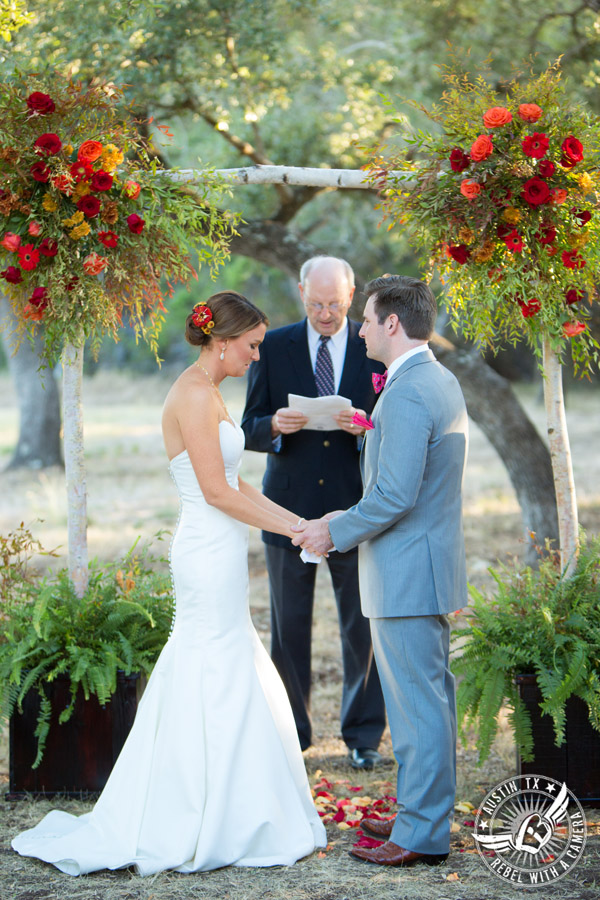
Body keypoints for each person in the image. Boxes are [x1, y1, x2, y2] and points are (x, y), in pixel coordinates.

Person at [12, 291, 326, 876]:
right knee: (209, 664)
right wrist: (295, 530)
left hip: (224, 547)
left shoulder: (212, 393)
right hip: (205, 551)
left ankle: (235, 801)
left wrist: (298, 526)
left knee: (228, 660)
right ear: (224, 340)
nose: (257, 357)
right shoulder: (190, 394)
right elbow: (215, 493)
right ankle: (197, 809)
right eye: (253, 346)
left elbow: (240, 485)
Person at [293, 275, 468, 867]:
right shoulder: (432, 378)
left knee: (418, 709)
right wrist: (349, 510)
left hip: (408, 573)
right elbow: (404, 489)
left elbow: (394, 495)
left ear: (393, 324)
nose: (360, 328)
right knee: (427, 702)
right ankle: (422, 809)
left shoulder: (410, 392)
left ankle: (421, 833)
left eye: (366, 319)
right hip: (420, 564)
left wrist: (333, 529)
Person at [241, 256, 386, 769]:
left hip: (356, 507)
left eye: (336, 303)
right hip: (287, 508)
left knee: (361, 625)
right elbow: (247, 425)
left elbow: (390, 425)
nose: (326, 314)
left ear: (352, 296)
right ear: (301, 291)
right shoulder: (273, 346)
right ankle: (291, 733)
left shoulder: (375, 346)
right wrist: (274, 425)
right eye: (317, 302)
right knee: (289, 626)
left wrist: (365, 427)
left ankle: (363, 736)